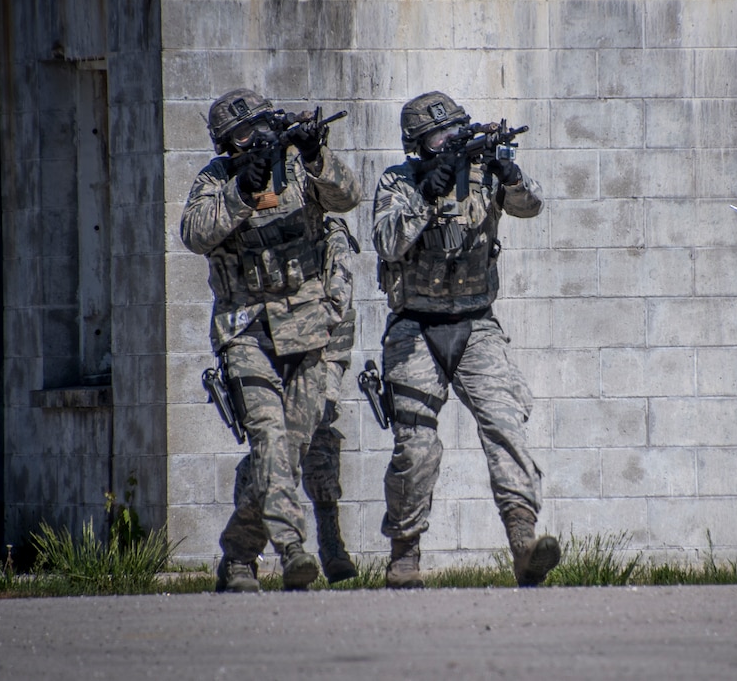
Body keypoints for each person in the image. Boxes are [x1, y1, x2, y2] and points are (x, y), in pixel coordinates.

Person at [371, 90, 559, 589]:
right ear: (418, 144)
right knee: (416, 448)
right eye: (439, 134)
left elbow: (532, 205)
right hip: (415, 326)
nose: (451, 139)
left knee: (506, 425)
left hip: (477, 325)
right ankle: (405, 554)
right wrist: (424, 198)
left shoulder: (482, 177)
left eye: (456, 128)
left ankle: (523, 541)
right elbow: (387, 241)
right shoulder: (399, 181)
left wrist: (509, 175)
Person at [182, 87, 361, 592]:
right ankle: (292, 551)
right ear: (226, 143)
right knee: (268, 438)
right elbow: (194, 235)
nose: (256, 137)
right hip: (246, 331)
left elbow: (349, 195)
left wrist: (314, 155)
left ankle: (238, 556)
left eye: (261, 125)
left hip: (306, 328)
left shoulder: (297, 165)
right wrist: (243, 191)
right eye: (243, 133)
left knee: (289, 451)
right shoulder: (217, 180)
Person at [230, 216, 361, 585]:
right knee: (270, 454)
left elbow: (339, 299)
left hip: (319, 345)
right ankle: (245, 556)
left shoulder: (327, 229)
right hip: (265, 343)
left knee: (318, 440)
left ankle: (331, 542)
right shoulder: (254, 215)